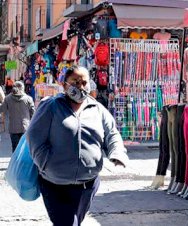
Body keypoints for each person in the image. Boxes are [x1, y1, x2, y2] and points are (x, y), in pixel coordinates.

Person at [26, 66, 129, 226]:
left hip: (87, 184)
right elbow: (34, 136)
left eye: (84, 82)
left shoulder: (98, 109)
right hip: (55, 184)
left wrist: (117, 153)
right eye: (75, 82)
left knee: (75, 222)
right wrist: (45, 162)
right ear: (65, 85)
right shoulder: (51, 106)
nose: (80, 86)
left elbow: (112, 134)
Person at [0, 81, 35, 152]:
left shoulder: (8, 98)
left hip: (13, 128)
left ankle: (15, 162)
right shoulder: (28, 98)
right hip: (25, 127)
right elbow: (33, 113)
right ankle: (22, 163)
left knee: (15, 149)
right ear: (23, 88)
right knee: (24, 150)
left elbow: (2, 109)